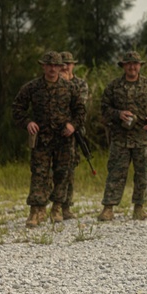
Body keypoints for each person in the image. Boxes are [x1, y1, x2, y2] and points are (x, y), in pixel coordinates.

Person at [12, 51, 86, 227]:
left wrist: (72, 125)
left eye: (56, 65)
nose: (52, 68)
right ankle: (35, 211)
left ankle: (57, 208)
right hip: (42, 140)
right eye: (49, 65)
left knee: (62, 174)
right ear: (43, 66)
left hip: (64, 139)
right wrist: (27, 122)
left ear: (61, 67)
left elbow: (80, 111)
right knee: (39, 174)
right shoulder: (32, 87)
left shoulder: (70, 88)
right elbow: (17, 108)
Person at [98, 51, 147, 221]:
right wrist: (118, 114)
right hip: (120, 139)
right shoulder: (114, 87)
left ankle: (139, 207)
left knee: (143, 173)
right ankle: (108, 208)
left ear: (140, 66)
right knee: (115, 173)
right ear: (123, 66)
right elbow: (104, 109)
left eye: (135, 64)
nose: (132, 67)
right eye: (128, 64)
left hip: (143, 138)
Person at [59, 51, 88, 220]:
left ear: (73, 65)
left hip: (74, 132)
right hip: (54, 132)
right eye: (61, 64)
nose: (64, 67)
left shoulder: (80, 84)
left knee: (69, 169)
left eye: (68, 64)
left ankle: (65, 206)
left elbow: (79, 106)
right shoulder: (52, 83)